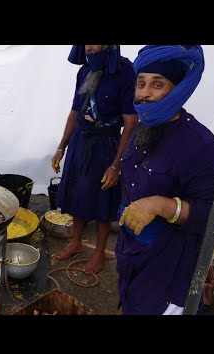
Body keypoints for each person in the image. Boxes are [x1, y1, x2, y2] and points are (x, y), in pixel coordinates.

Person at [116, 45, 214, 315]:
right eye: (141, 84)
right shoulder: (146, 127)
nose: (145, 93)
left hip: (169, 266)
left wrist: (161, 205)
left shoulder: (201, 146)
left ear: (177, 90)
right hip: (132, 253)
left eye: (157, 85)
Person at [52, 45, 138, 274]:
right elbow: (74, 111)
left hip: (106, 146)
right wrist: (62, 147)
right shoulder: (84, 70)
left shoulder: (125, 73)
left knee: (102, 199)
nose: (89, 46)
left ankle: (99, 252)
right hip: (80, 143)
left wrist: (116, 165)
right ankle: (76, 242)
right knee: (76, 194)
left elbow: (131, 122)